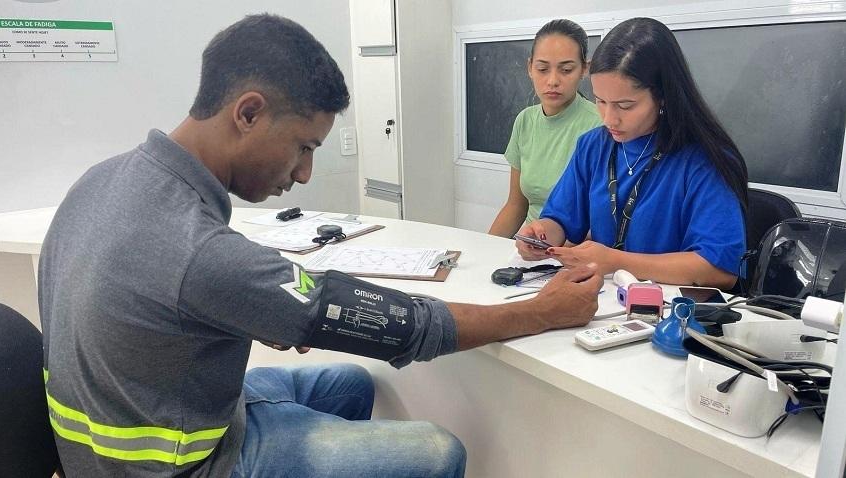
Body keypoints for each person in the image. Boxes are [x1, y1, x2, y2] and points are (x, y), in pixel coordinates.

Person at [39, 14, 602, 478]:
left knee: (350, 383)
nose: (305, 174)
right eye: (304, 147)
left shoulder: (106, 179)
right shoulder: (201, 251)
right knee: (438, 451)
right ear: (249, 112)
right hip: (179, 465)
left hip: (127, 423)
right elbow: (407, 328)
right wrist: (542, 311)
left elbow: (164, 299)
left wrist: (254, 308)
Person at [516, 17, 748, 290]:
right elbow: (560, 220)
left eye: (625, 105)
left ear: (662, 96)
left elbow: (719, 269)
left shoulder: (704, 160)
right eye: (600, 101)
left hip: (675, 315)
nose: (609, 119)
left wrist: (615, 261)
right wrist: (541, 235)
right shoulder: (593, 146)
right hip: (605, 307)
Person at [488, 19, 602, 238]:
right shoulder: (525, 121)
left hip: (576, 252)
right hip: (529, 247)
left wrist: (554, 254)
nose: (552, 81)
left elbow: (601, 221)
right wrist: (487, 248)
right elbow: (516, 206)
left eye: (566, 69)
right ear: (530, 67)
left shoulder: (600, 125)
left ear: (584, 69)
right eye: (542, 69)